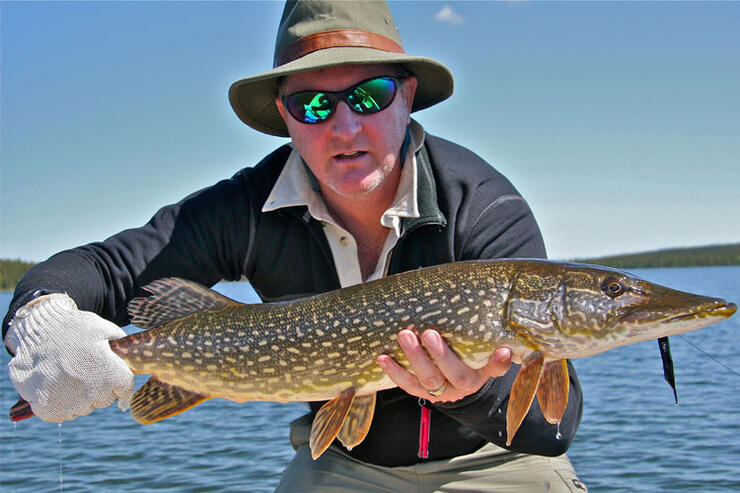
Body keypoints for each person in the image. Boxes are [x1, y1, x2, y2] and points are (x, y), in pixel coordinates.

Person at [3, 1, 586, 491]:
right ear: (285, 114)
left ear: (406, 95)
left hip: (493, 460)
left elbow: (549, 431)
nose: (344, 127)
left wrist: (475, 392)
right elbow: (106, 268)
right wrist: (40, 318)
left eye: (369, 96)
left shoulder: (481, 206)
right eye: (313, 105)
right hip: (343, 462)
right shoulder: (246, 208)